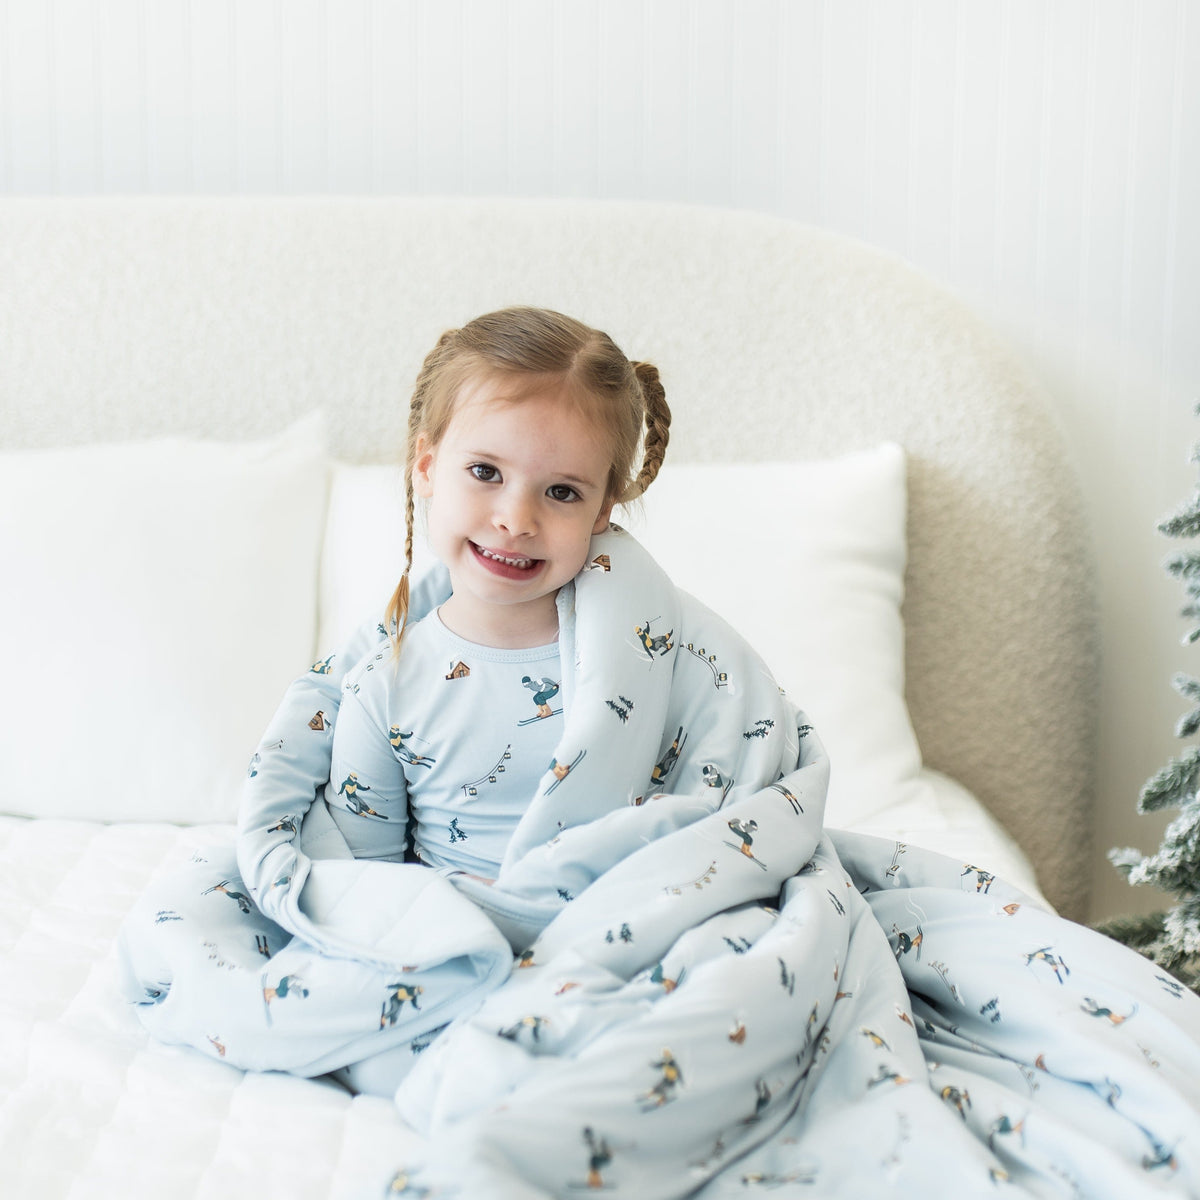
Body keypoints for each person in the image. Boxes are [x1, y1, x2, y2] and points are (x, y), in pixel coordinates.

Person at [322, 306, 671, 882]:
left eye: (561, 491)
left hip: (614, 919)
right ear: (428, 466)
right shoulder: (384, 685)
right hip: (453, 936)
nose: (516, 519)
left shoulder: (644, 651)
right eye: (486, 472)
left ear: (602, 510)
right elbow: (364, 885)